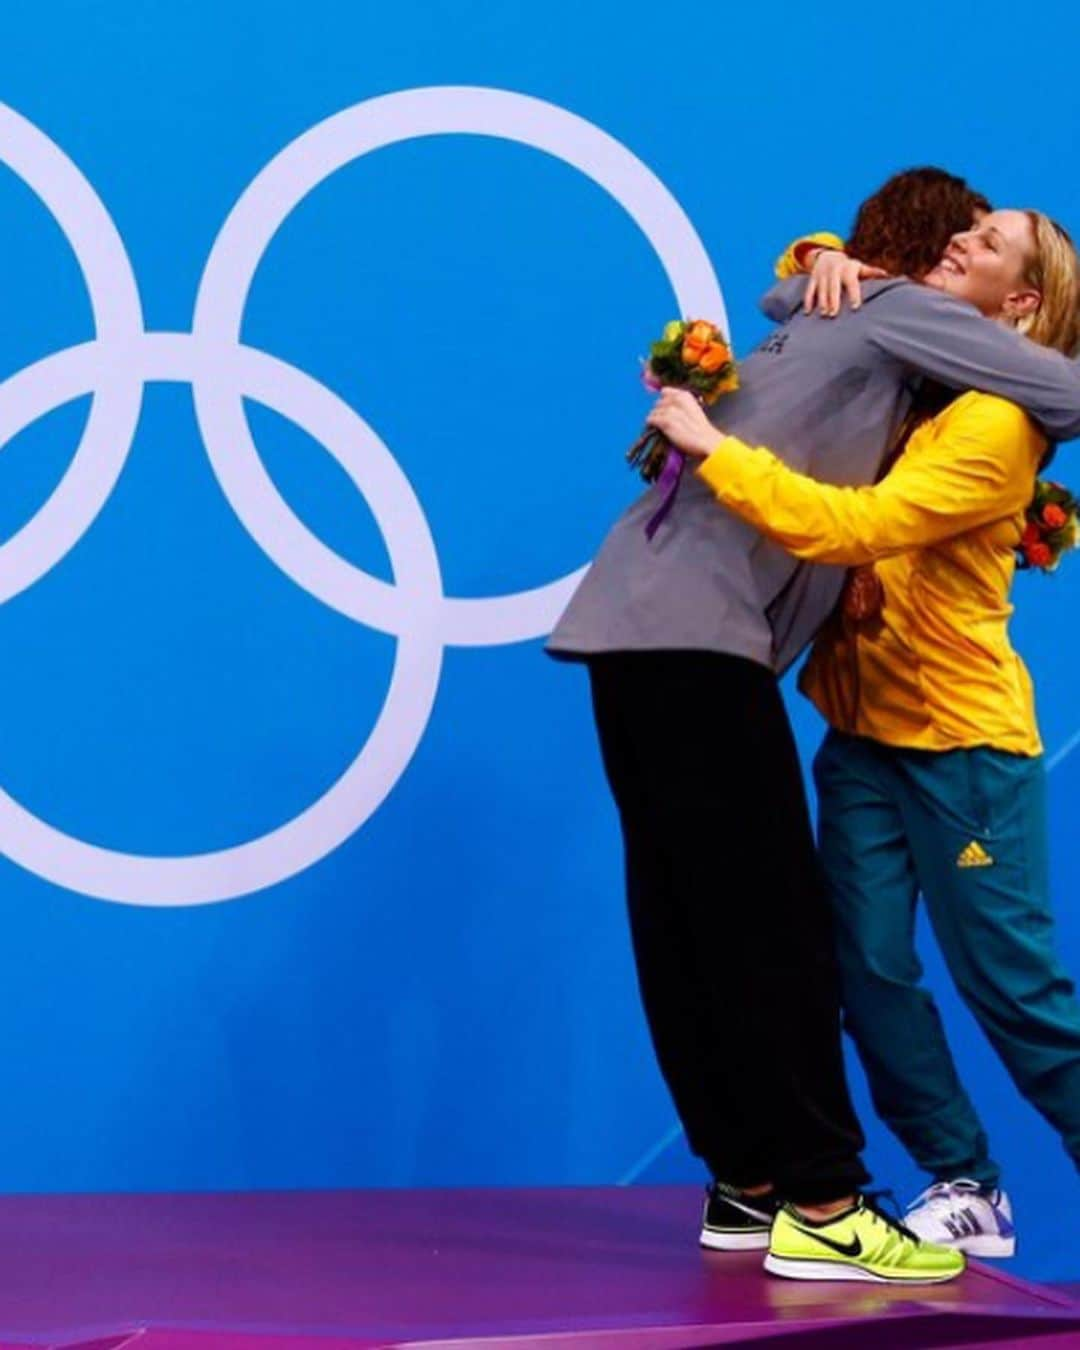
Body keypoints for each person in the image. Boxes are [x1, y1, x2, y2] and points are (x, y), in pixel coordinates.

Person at [547, 167, 1080, 1284]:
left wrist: (726, 423)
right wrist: (823, 264)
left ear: (1022, 306)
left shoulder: (961, 399)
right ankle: (868, 1194)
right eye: (963, 233)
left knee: (747, 932)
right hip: (780, 681)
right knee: (796, 945)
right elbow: (822, 296)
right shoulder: (901, 333)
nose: (963, 249)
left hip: (927, 729)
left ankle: (773, 1187)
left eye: (988, 246)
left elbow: (864, 517)